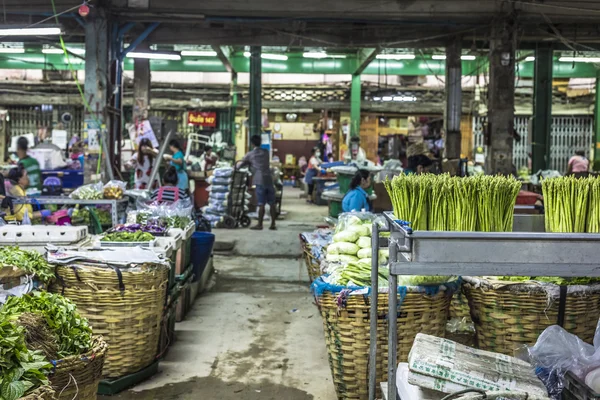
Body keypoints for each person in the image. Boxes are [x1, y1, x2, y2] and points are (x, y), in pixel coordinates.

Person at [239, 135, 277, 230]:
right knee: (272, 203)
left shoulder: (250, 154)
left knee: (261, 203)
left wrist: (235, 168)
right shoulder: (266, 152)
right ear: (260, 142)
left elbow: (240, 164)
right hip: (269, 178)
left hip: (259, 180)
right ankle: (273, 224)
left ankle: (260, 224)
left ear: (252, 143)